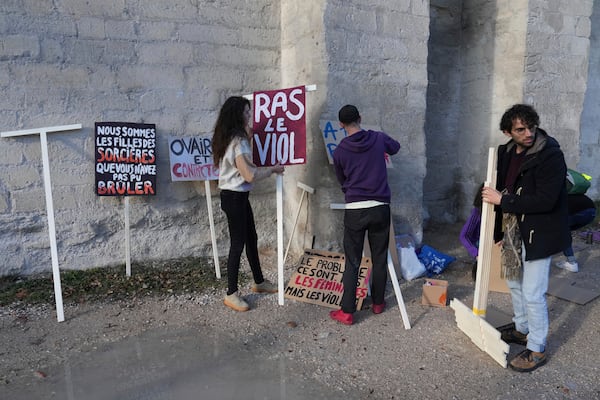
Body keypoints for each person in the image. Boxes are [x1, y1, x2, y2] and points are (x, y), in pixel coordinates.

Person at [481, 104, 570, 372]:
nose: (528, 133)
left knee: (533, 292)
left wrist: (503, 200)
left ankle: (537, 347)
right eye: (521, 129)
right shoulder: (505, 151)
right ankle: (521, 329)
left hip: (540, 231)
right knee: (514, 282)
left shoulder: (550, 155)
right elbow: (500, 189)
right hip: (512, 228)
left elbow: (545, 200)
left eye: (531, 126)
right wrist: (499, 231)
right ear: (508, 131)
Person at [329, 105, 401, 325]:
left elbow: (341, 179)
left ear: (341, 125)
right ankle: (378, 303)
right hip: (380, 206)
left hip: (355, 209)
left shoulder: (340, 149)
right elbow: (395, 147)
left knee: (353, 261)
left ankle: (347, 311)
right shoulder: (378, 139)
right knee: (379, 256)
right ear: (361, 118)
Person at [211, 96, 284, 312]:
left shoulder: (228, 138)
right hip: (235, 197)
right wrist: (273, 169)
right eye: (246, 112)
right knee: (238, 244)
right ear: (236, 115)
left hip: (234, 196)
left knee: (251, 238)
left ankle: (259, 281)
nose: (249, 116)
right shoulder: (238, 141)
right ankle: (231, 293)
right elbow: (249, 175)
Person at [555, 193, 597, 272]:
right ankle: (562, 249)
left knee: (563, 232)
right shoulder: (571, 194)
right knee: (565, 230)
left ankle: (571, 262)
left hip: (579, 212)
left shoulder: (557, 197)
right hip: (592, 212)